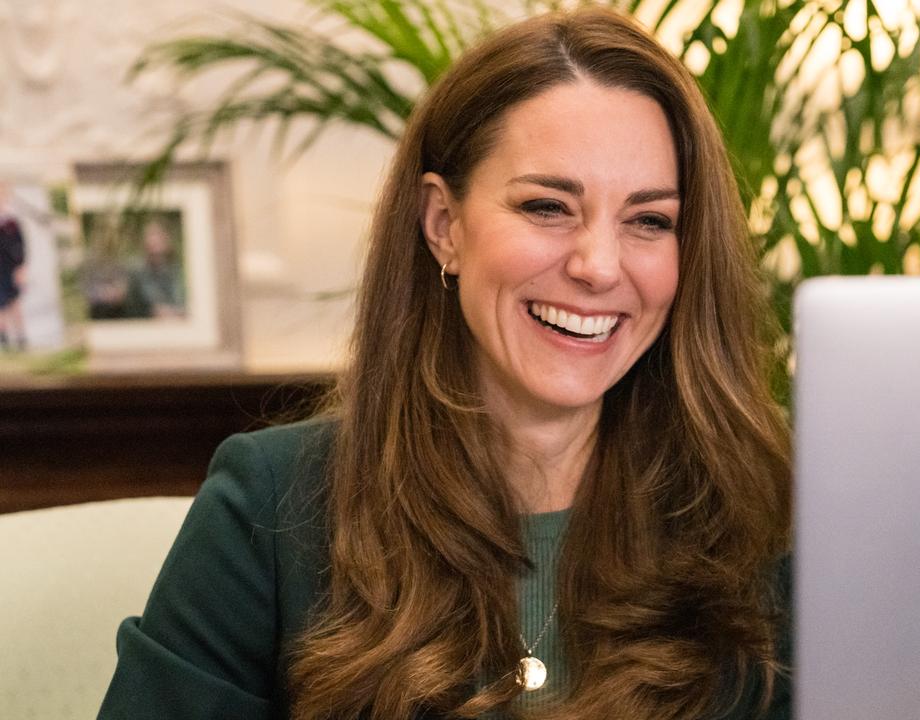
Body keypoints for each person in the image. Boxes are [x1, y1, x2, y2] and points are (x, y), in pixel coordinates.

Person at [99, 7, 791, 720]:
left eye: (649, 220)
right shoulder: (269, 508)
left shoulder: (764, 515)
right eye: (548, 206)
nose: (598, 266)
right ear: (443, 226)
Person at [0, 183, 28, 351]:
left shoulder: (12, 223)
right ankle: (3, 338)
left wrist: (21, 267)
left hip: (10, 268)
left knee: (14, 302)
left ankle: (21, 337)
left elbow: (21, 247)